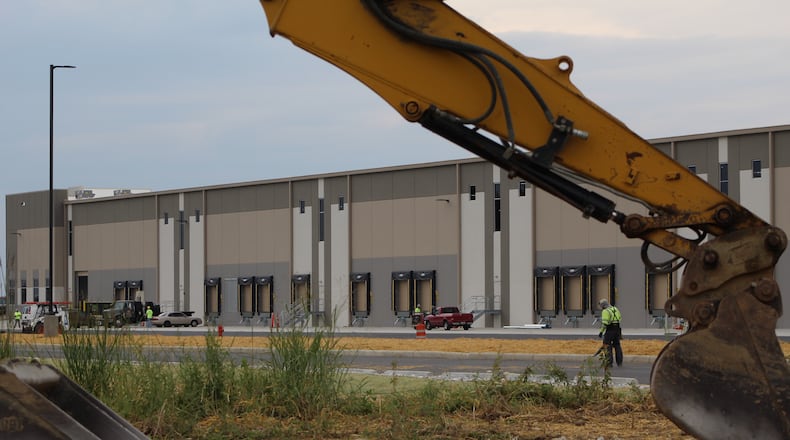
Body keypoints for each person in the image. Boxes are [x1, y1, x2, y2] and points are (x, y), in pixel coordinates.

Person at [598, 299, 623, 367]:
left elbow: (605, 323)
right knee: (617, 345)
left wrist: (601, 332)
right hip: (617, 329)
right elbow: (620, 318)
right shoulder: (615, 309)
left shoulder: (605, 311)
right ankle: (619, 362)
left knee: (607, 346)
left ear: (603, 305)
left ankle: (609, 362)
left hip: (610, 329)